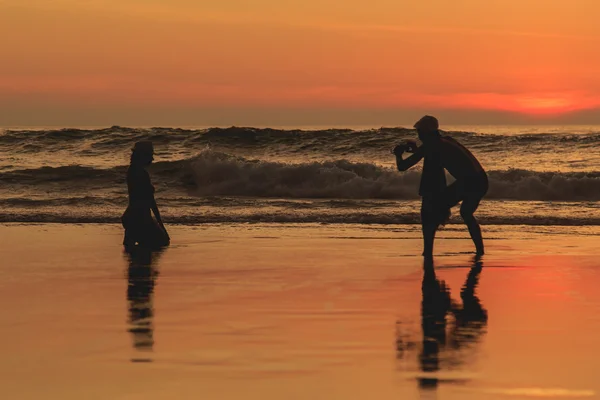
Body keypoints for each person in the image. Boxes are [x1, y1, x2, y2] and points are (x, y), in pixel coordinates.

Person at [392, 116, 488, 256]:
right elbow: (439, 154)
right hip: (481, 180)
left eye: (419, 131)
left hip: (470, 182)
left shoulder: (432, 146)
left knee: (429, 209)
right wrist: (418, 150)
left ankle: (428, 250)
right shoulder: (446, 140)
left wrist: (398, 155)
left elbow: (403, 167)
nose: (418, 135)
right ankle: (480, 251)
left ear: (426, 132)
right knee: (465, 213)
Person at [122, 141, 170, 249]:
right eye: (150, 155)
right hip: (140, 219)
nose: (152, 159)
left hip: (132, 217)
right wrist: (161, 225)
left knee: (137, 252)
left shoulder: (132, 170)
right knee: (163, 242)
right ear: (143, 155)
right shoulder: (141, 174)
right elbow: (150, 201)